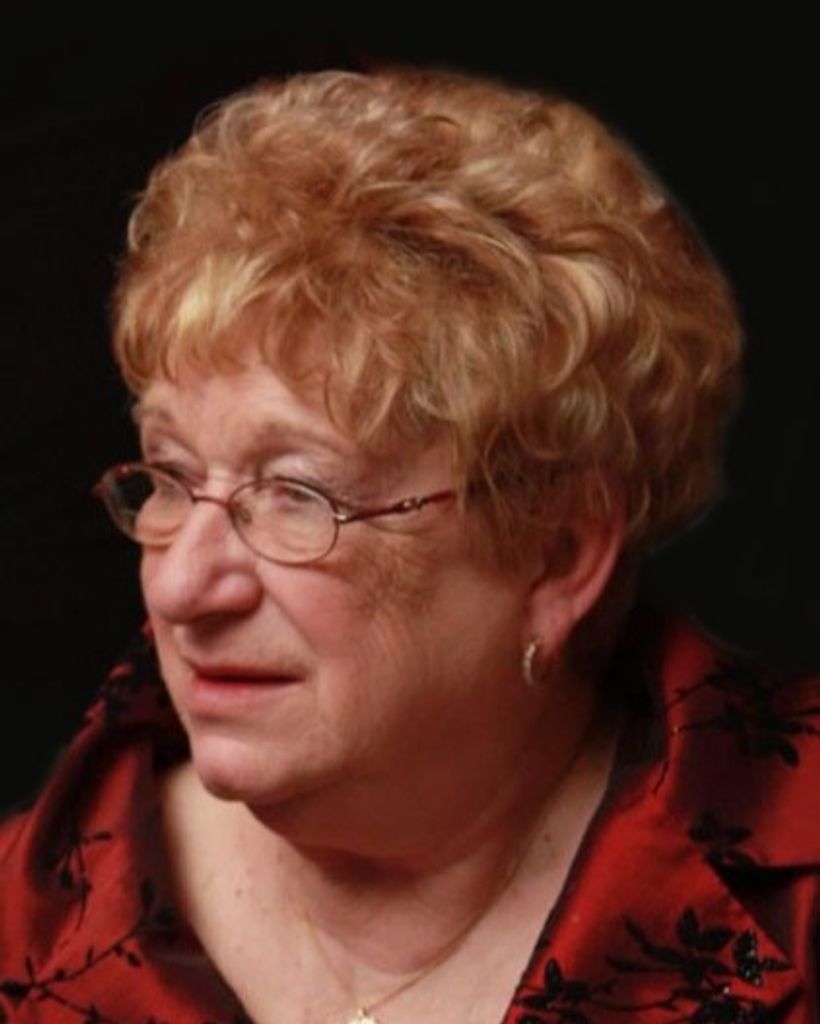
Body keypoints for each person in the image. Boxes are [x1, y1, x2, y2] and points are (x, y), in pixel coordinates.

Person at [1, 67, 817, 1024]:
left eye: (296, 495)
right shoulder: (28, 927)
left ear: (555, 557)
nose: (181, 587)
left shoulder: (793, 887)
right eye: (172, 477)